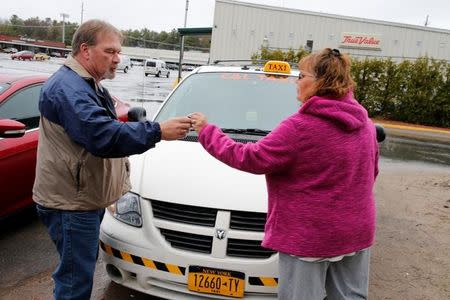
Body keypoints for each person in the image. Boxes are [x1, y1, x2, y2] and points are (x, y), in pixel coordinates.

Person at [189, 48, 379, 300]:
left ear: (320, 81)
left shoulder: (300, 127)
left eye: (302, 75)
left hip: (310, 236)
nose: (297, 82)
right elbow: (371, 172)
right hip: (356, 230)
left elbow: (250, 157)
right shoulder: (365, 125)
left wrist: (206, 131)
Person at [32, 19, 191, 300]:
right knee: (74, 281)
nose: (118, 59)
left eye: (119, 52)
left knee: (77, 272)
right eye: (111, 51)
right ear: (85, 50)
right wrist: (157, 131)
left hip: (81, 200)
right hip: (71, 205)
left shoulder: (86, 84)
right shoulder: (70, 89)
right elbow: (102, 136)